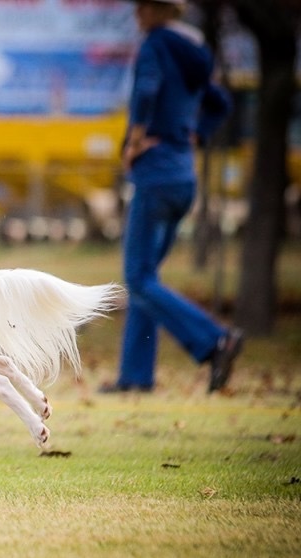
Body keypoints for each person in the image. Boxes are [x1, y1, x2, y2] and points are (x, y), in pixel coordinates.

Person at [101, 0, 242, 394]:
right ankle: (135, 376)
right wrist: (197, 134)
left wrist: (135, 138)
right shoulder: (193, 53)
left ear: (153, 11)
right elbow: (220, 104)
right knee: (147, 277)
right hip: (183, 177)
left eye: (141, 7)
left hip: (156, 174)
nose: (136, 14)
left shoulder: (154, 45)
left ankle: (216, 340)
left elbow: (146, 89)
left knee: (138, 277)